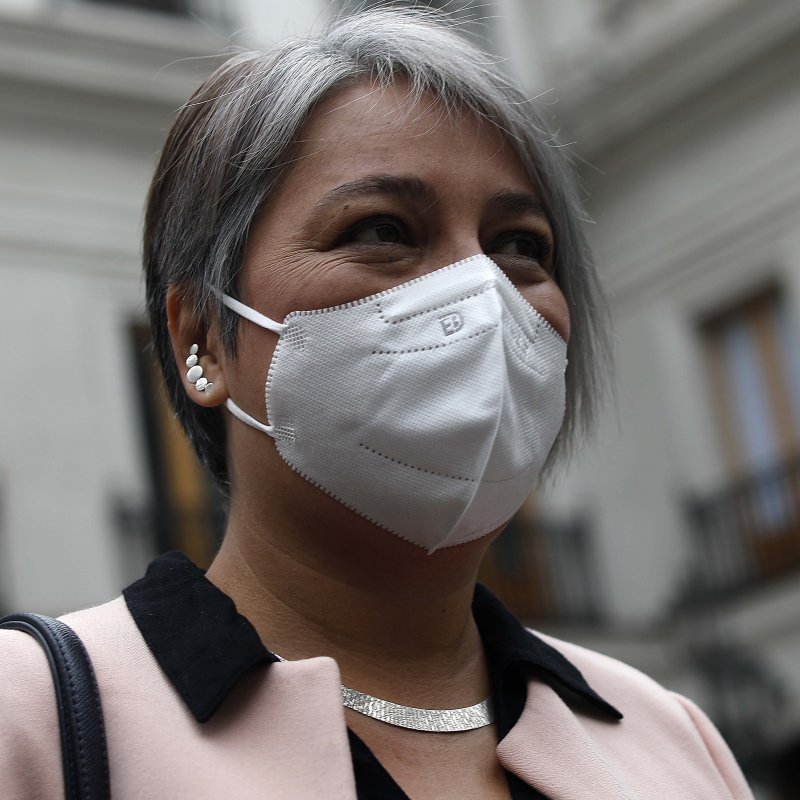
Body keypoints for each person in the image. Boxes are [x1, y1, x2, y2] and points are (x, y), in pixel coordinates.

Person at [1, 9, 754, 799]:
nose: (482, 293)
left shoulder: (673, 744)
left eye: (520, 245)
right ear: (205, 339)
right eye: (383, 229)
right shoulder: (37, 723)